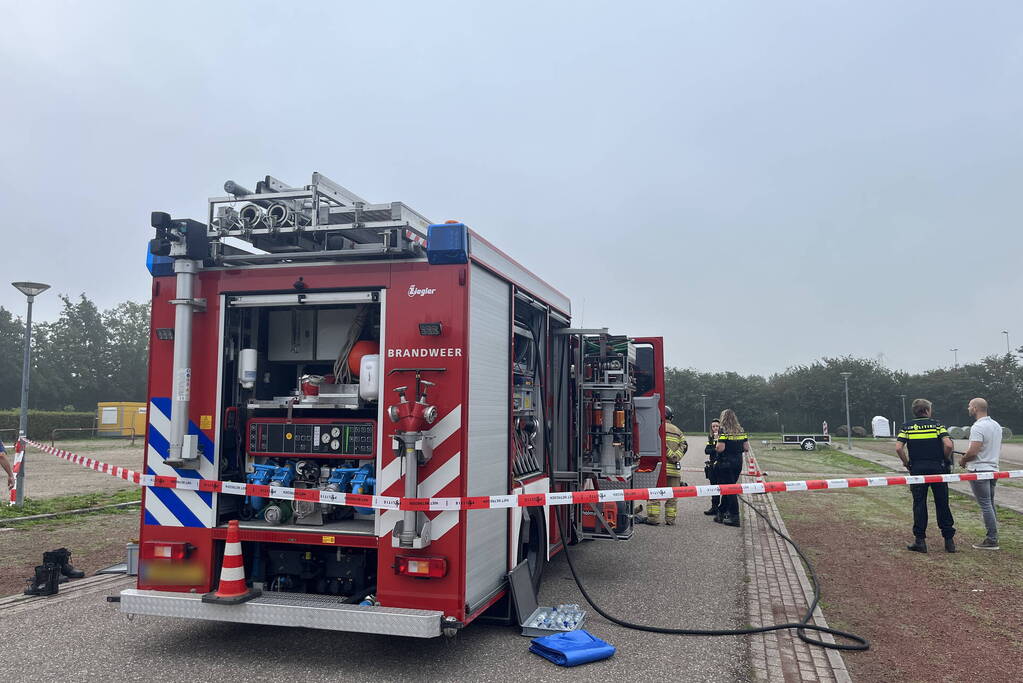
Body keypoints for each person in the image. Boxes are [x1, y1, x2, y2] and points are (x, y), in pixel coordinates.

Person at [895, 398, 956, 553]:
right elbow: (948, 444)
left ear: (914, 411)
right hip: (937, 468)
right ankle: (949, 542)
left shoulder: (907, 426)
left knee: (919, 504)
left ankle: (920, 541)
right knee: (942, 502)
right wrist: (944, 458)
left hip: (917, 469)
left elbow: (898, 448)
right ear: (928, 410)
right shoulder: (937, 425)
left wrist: (907, 463)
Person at [959, 398, 1001, 550]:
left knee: (985, 505)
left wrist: (963, 460)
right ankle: (993, 536)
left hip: (979, 470)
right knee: (989, 503)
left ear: (975, 408)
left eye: (969, 406)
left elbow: (974, 451)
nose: (968, 408)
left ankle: (992, 539)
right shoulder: (996, 425)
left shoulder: (978, 427)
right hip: (993, 469)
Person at [647, 406, 687, 526]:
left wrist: (669, 454)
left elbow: (659, 444)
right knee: (673, 497)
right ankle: (670, 520)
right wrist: (676, 457)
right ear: (671, 417)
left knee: (654, 494)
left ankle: (653, 519)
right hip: (674, 470)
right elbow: (684, 446)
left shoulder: (657, 429)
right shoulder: (678, 431)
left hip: (659, 469)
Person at [714, 409, 747, 527]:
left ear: (723, 418)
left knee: (731, 490)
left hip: (726, 463)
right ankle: (722, 511)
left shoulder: (723, 431)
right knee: (730, 488)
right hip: (738, 462)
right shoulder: (741, 430)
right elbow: (746, 447)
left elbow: (720, 448)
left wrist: (717, 442)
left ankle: (735, 516)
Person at [703, 419, 722, 517]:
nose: (715, 428)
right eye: (713, 426)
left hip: (721, 466)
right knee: (714, 487)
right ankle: (714, 507)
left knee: (723, 487)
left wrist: (715, 448)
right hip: (712, 465)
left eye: (717, 426)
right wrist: (715, 447)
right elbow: (707, 450)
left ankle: (723, 508)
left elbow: (722, 450)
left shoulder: (723, 437)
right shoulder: (710, 438)